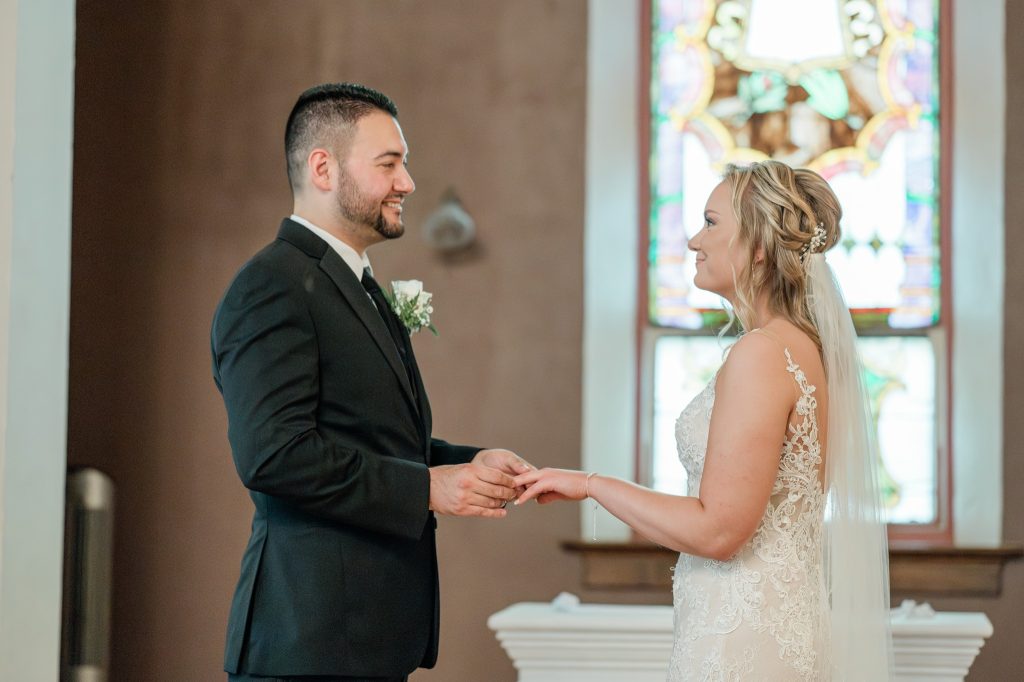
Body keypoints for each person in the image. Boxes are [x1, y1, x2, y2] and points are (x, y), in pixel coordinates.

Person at [515, 160, 894, 680]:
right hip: (768, 620)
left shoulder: (762, 354)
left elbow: (719, 530)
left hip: (742, 636)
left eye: (712, 223)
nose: (695, 240)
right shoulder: (801, 347)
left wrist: (590, 484)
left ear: (759, 246)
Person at [211, 82, 532, 682]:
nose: (407, 181)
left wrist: (469, 466)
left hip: (365, 642)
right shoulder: (272, 286)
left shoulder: (352, 283)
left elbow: (369, 439)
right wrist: (427, 489)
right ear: (323, 168)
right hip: (308, 642)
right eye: (389, 163)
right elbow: (274, 455)